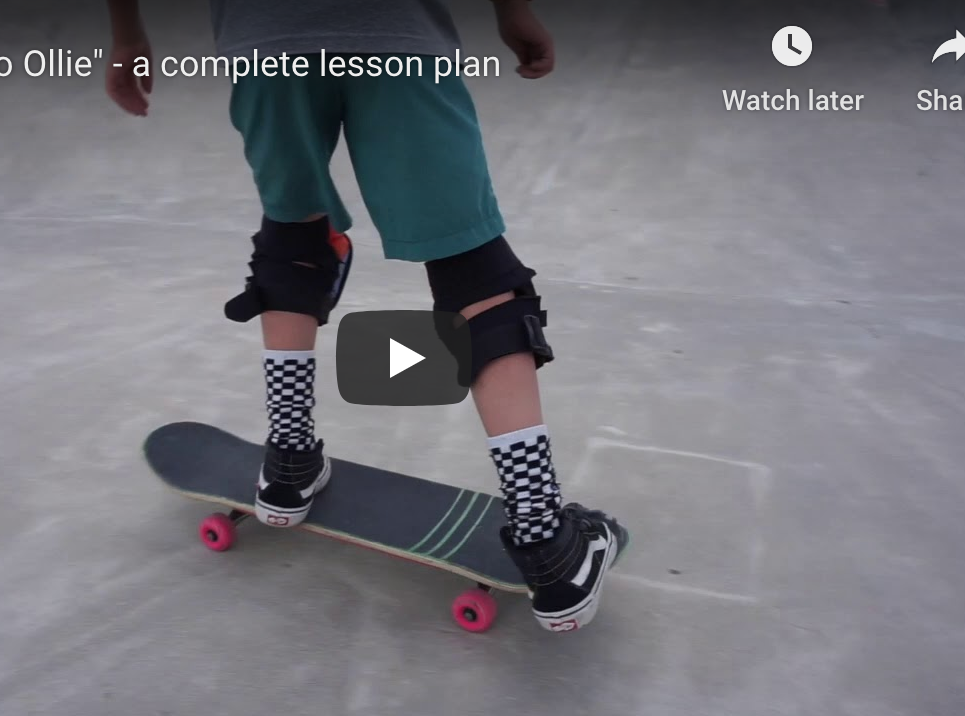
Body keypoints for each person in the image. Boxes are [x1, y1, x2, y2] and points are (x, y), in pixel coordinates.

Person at [104, 0, 630, 632]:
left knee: (292, 238)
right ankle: (545, 540)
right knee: (472, 265)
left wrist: (127, 33)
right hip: (393, 33)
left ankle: (290, 461)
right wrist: (512, 11)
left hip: (266, 38)